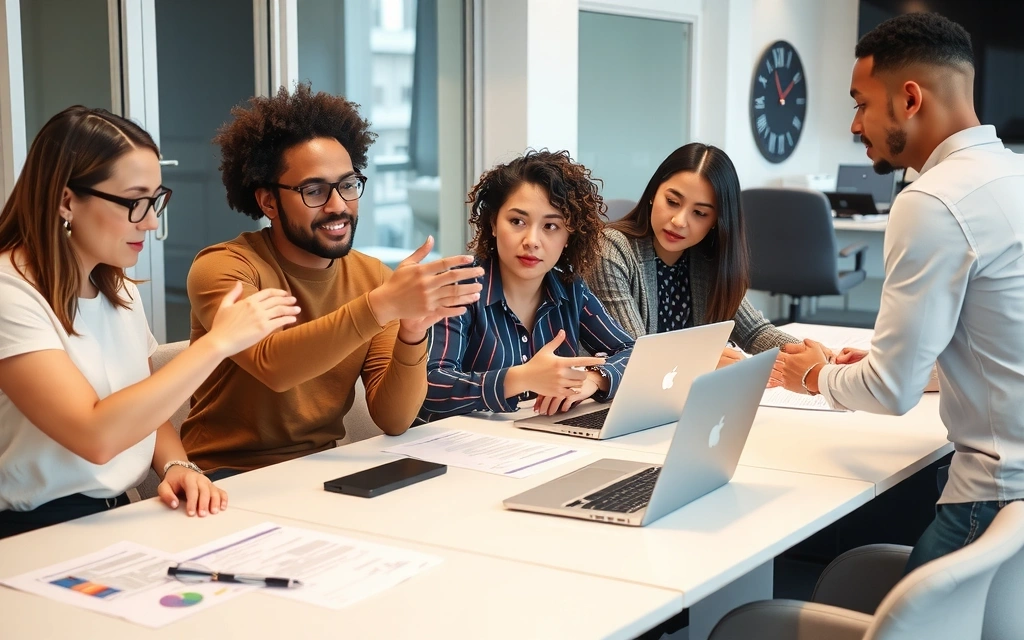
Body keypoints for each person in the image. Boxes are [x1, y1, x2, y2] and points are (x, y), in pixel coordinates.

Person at [774, 12, 1024, 572]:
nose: (855, 124)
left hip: (993, 496)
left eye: (861, 102)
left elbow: (890, 391)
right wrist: (924, 362)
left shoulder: (932, 200)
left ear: (909, 99)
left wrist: (812, 375)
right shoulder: (1011, 176)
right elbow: (1001, 338)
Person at [0, 106, 299, 539]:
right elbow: (95, 436)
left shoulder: (115, 285)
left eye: (155, 199)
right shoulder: (11, 295)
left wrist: (177, 464)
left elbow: (143, 402)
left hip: (115, 514)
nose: (152, 220)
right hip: (32, 530)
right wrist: (217, 344)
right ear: (67, 200)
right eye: (134, 202)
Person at [182, 83, 483, 477]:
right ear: (268, 201)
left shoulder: (372, 276)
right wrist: (381, 306)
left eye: (347, 184)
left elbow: (394, 420)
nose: (338, 205)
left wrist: (412, 332)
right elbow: (274, 367)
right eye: (314, 190)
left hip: (320, 470)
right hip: (224, 478)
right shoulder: (225, 268)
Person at [417, 150, 634, 423]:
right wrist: (521, 378)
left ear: (569, 236)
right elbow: (429, 387)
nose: (532, 240)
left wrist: (594, 379)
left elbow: (634, 353)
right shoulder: (461, 287)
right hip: (461, 449)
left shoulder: (570, 289)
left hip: (542, 442)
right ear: (493, 223)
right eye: (517, 221)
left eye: (551, 226)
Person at [587, 143, 798, 366]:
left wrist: (821, 360)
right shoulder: (612, 249)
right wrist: (703, 361)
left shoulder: (708, 257)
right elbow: (634, 353)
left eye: (699, 213)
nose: (679, 221)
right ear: (653, 194)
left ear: (717, 221)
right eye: (672, 202)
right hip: (618, 397)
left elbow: (754, 333)